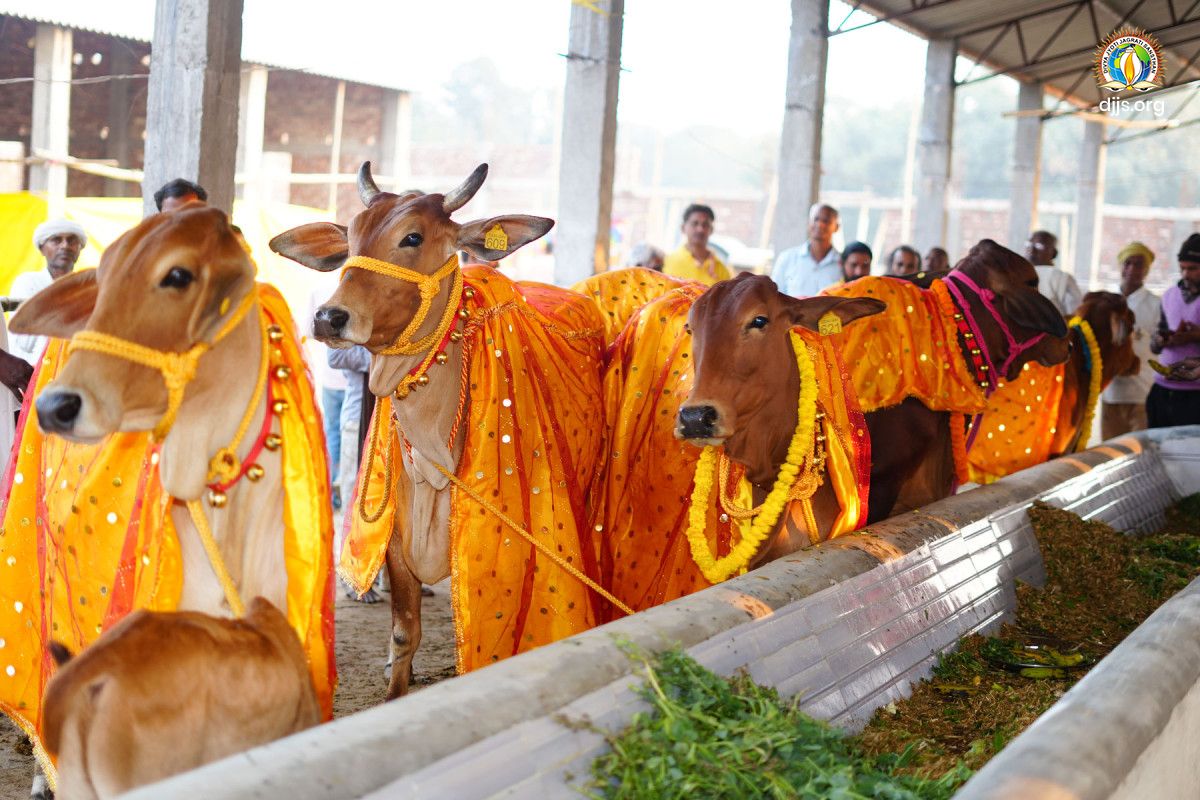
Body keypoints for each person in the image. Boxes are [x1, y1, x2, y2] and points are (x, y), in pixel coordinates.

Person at [1101, 242, 1160, 438]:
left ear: (1147, 270)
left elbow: (1161, 346)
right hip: (1110, 392)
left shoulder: (1156, 305)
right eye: (1128, 263)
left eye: (1139, 264)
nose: (1132, 269)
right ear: (1120, 266)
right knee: (1110, 450)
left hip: (1142, 392)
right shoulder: (1105, 302)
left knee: (1140, 450)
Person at [10, 219, 87, 364]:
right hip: (32, 370)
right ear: (42, 249)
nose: (65, 246)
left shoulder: (86, 287)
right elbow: (25, 340)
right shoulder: (28, 283)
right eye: (56, 240)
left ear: (80, 248)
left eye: (71, 240)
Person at [1147, 233, 1200, 427]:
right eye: (1182, 268)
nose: (1185, 274)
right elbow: (1154, 346)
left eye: (1192, 268)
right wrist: (1160, 340)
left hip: (1195, 395)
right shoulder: (1169, 295)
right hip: (1162, 390)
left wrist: (1195, 336)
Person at [771, 204, 840, 297]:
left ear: (837, 227)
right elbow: (773, 296)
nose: (820, 224)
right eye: (816, 219)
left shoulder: (843, 264)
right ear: (809, 223)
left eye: (826, 221)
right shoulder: (787, 258)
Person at [662, 204, 731, 286]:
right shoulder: (668, 261)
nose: (700, 229)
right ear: (683, 228)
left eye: (705, 225)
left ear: (711, 230)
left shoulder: (722, 270)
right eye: (695, 223)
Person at [1025, 230, 1082, 317]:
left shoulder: (1061, 277)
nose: (1032, 250)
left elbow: (1074, 313)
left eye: (1039, 246)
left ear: (1054, 252)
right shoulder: (1017, 274)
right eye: (1028, 244)